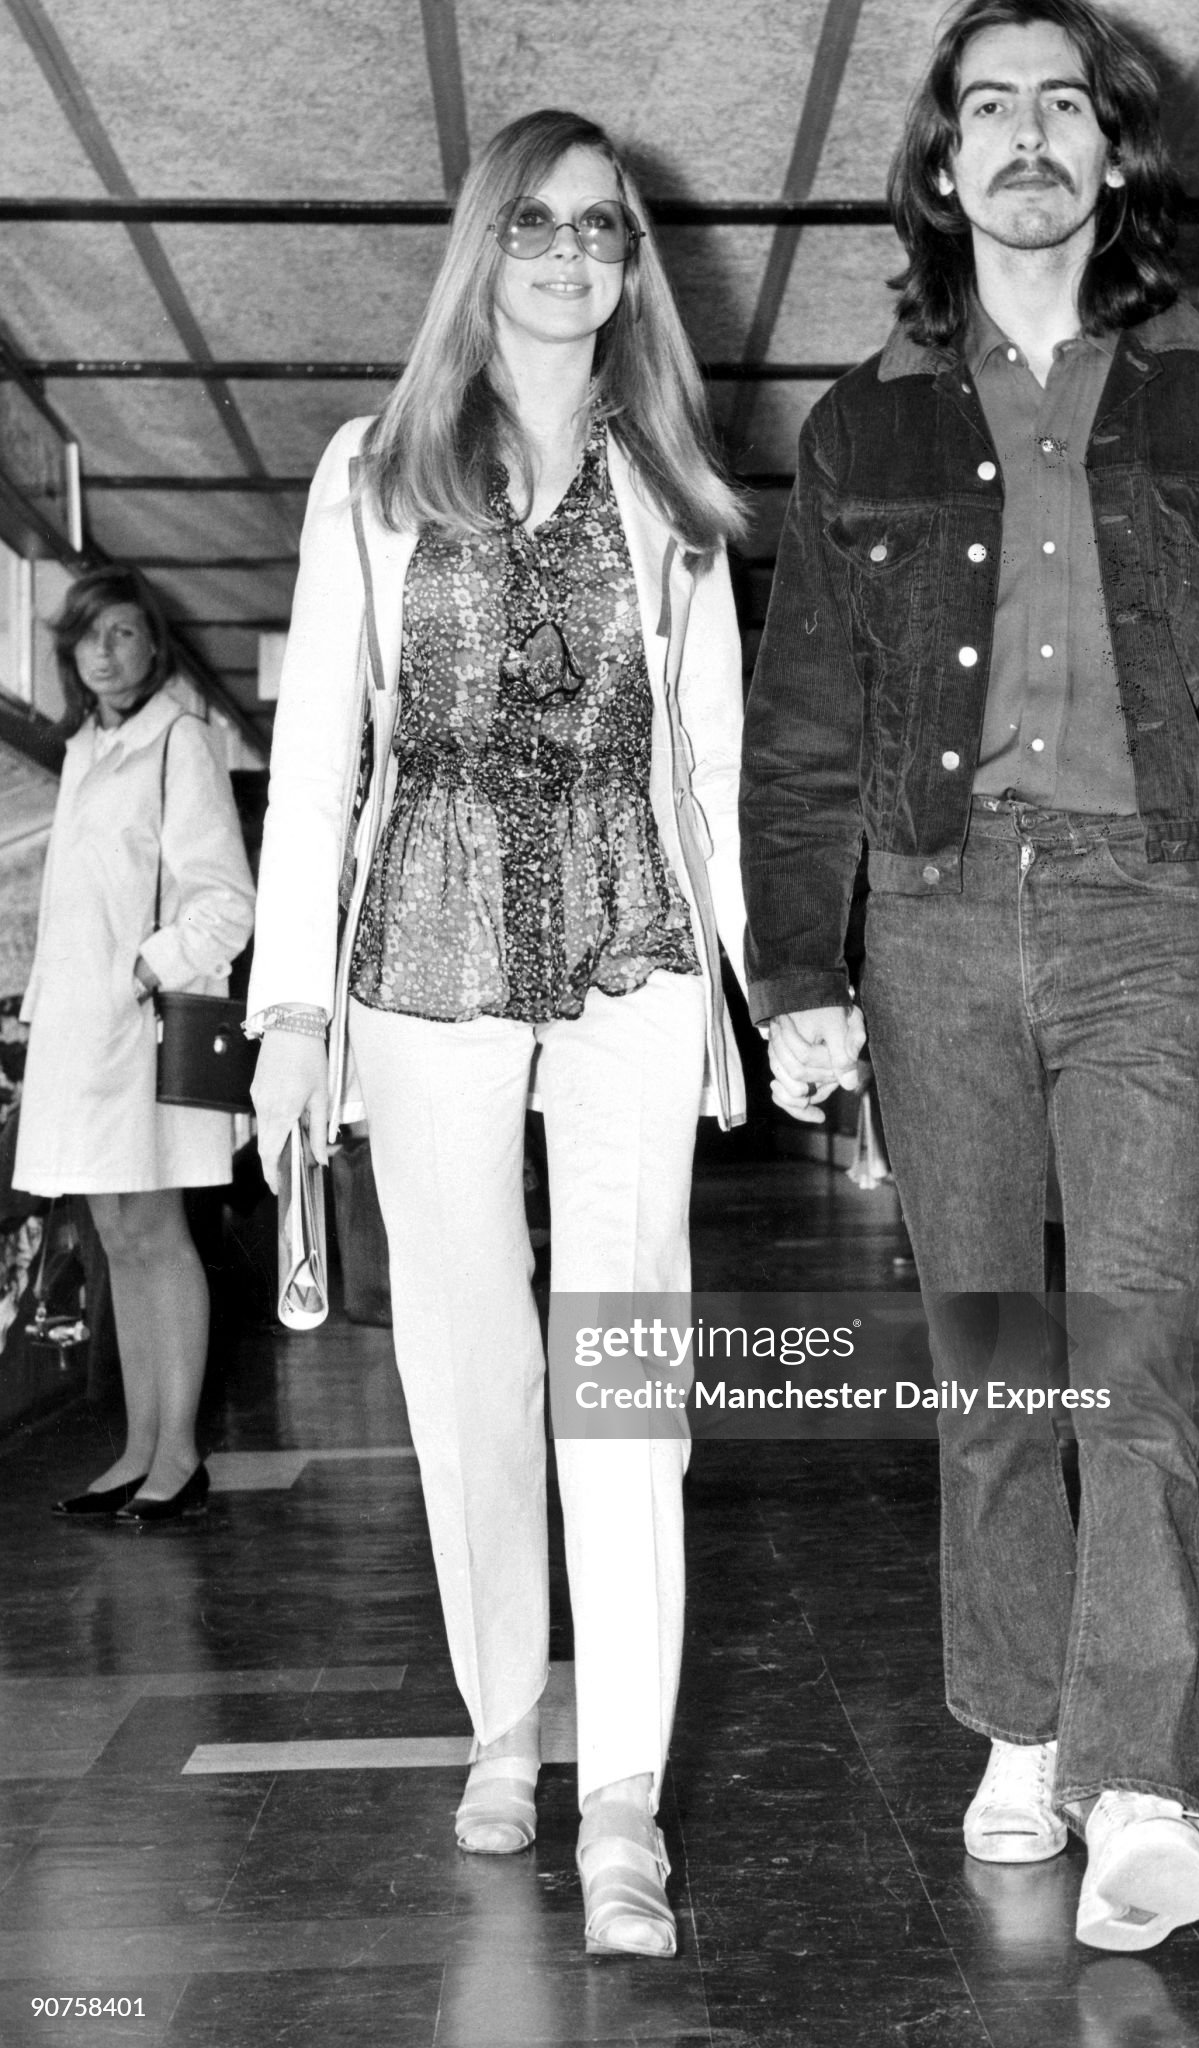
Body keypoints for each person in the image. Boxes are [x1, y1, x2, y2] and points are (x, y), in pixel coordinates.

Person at [740, 0, 1199, 1952]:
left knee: (1128, 1363)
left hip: (1146, 912)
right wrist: (797, 961)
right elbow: (804, 711)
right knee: (996, 1365)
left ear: (1111, 156)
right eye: (987, 107)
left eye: (1063, 104)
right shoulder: (862, 425)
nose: (1026, 135)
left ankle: (1142, 1776)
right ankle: (1016, 1721)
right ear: (942, 165)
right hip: (927, 918)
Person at [247, 108, 746, 1958]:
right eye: (528, 225)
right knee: (465, 1371)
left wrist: (738, 988)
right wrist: (289, 1008)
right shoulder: (368, 472)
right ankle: (501, 1722)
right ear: (483, 248)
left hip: (629, 949)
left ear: (629, 266)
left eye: (595, 230)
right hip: (418, 951)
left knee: (623, 1372)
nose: (561, 256)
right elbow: (319, 765)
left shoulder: (676, 496)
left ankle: (622, 1788)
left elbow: (709, 763)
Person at [17, 564, 255, 1524]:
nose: (107, 653)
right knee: (117, 1240)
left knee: (156, 1236)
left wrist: (140, 973)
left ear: (153, 647)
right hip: (81, 1041)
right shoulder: (83, 753)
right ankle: (139, 1447)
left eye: (124, 634)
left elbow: (225, 903)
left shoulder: (181, 744)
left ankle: (180, 1455)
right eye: (90, 637)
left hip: (144, 1030)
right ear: (70, 655)